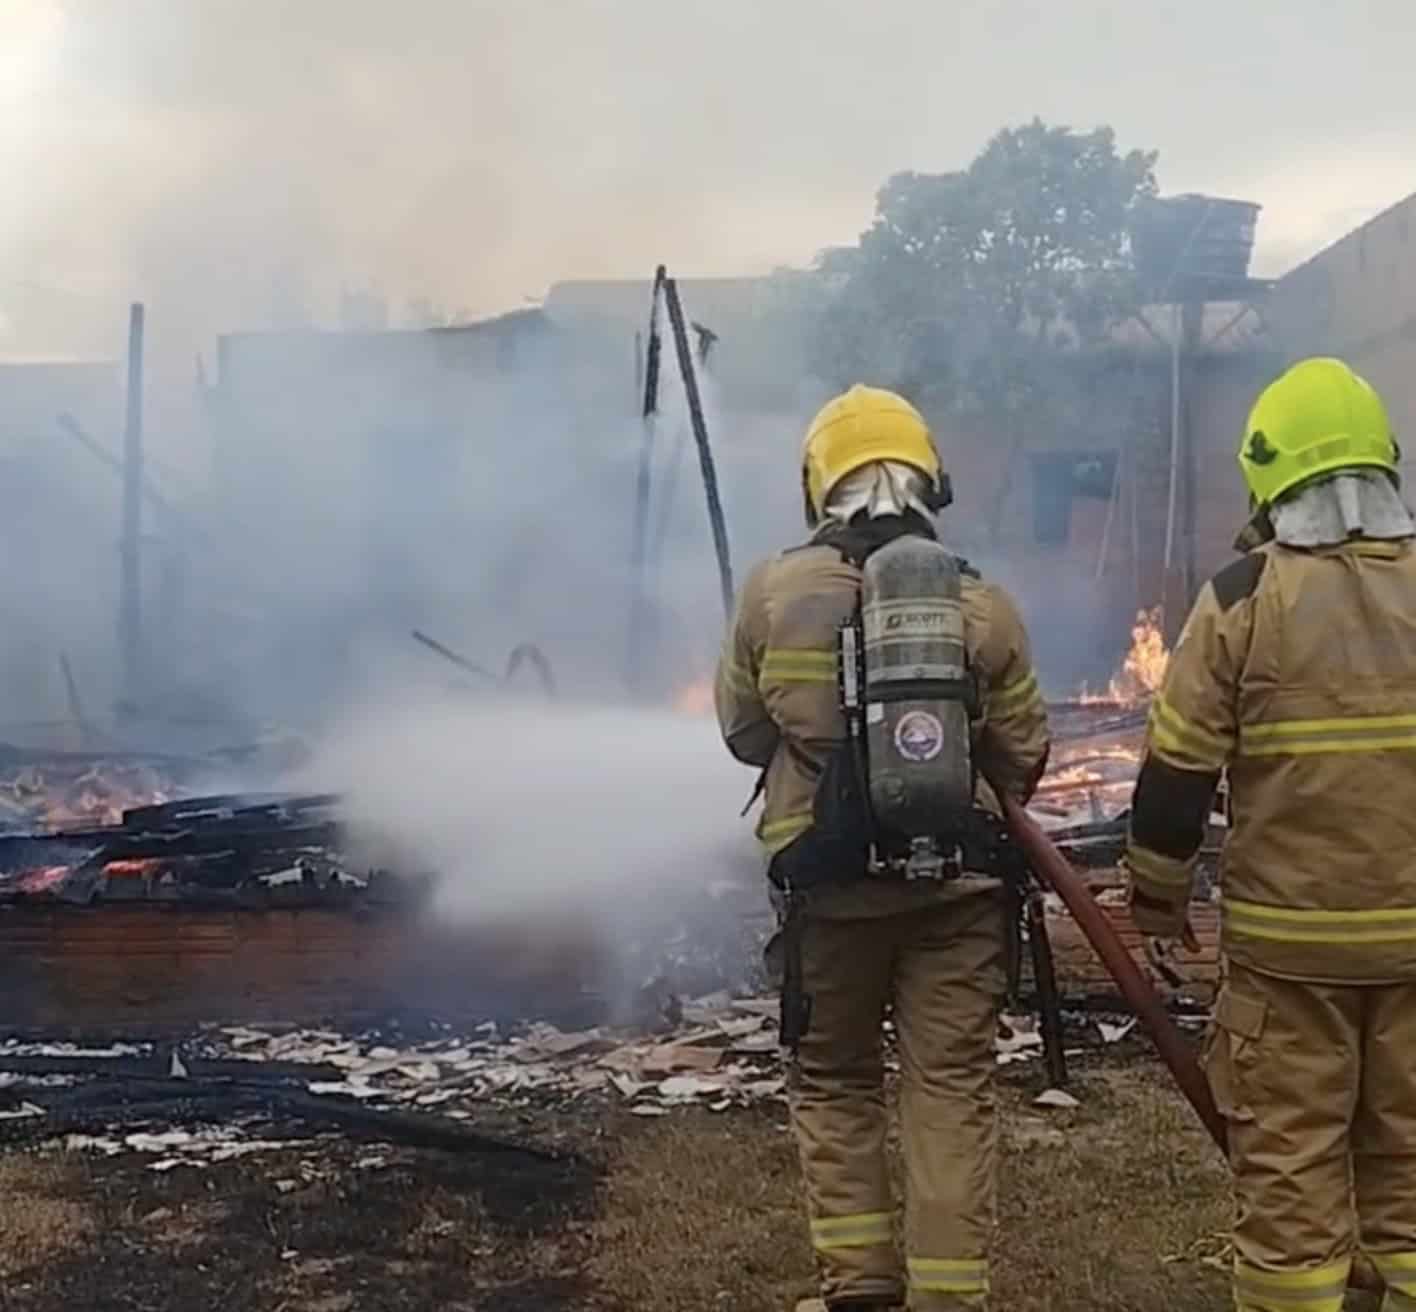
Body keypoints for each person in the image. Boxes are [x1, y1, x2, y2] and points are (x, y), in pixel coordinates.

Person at [714, 384, 1049, 1311]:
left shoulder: (772, 594)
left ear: (819, 483)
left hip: (828, 894)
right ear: (929, 480)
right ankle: (948, 1296)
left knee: (835, 1081)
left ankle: (859, 1286)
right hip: (959, 898)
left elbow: (742, 732)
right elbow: (1022, 755)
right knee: (949, 1092)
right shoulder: (985, 605)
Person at [1124, 357, 1416, 1312]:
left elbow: (1175, 776)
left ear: (1267, 478)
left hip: (1290, 962)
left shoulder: (1243, 597)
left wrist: (1158, 900)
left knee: (1291, 1181)